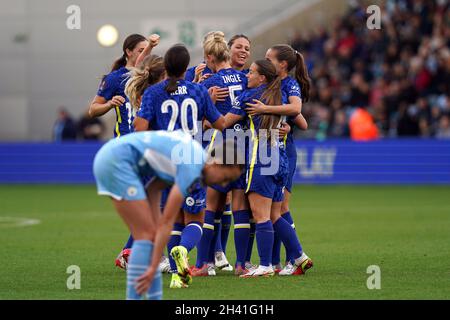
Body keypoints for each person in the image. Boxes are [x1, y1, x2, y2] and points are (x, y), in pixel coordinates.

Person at [93, 130, 244, 299]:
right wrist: (153, 266)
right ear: (217, 163)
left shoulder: (194, 156)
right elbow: (168, 221)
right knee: (145, 236)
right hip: (116, 163)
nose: (223, 184)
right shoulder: (192, 167)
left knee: (148, 235)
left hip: (114, 157)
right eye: (226, 178)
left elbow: (155, 187)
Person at [134, 43, 228, 288]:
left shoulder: (154, 93)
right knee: (195, 220)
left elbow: (140, 130)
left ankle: (177, 276)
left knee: (172, 220)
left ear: (165, 66)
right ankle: (184, 251)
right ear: (187, 67)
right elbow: (221, 124)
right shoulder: (198, 91)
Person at [219, 59, 306, 277]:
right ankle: (300, 256)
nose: (247, 75)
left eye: (252, 73)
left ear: (262, 78)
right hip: (280, 157)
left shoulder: (249, 97)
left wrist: (205, 107)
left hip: (261, 157)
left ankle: (265, 265)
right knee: (275, 215)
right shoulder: (282, 95)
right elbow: (300, 119)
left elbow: (223, 123)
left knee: (261, 216)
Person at [247, 44, 313, 275]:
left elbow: (298, 112)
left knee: (279, 208)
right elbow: (300, 120)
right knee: (275, 210)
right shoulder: (272, 84)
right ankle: (284, 260)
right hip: (273, 150)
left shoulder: (289, 84)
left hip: (281, 152)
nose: (265, 61)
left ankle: (291, 259)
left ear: (282, 64)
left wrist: (270, 111)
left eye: (269, 58)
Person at [191, 31, 248, 275]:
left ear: (209, 58)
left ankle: (204, 264)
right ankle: (241, 265)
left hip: (220, 148)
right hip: (245, 147)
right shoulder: (246, 78)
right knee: (240, 209)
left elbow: (189, 116)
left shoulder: (208, 85)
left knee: (211, 208)